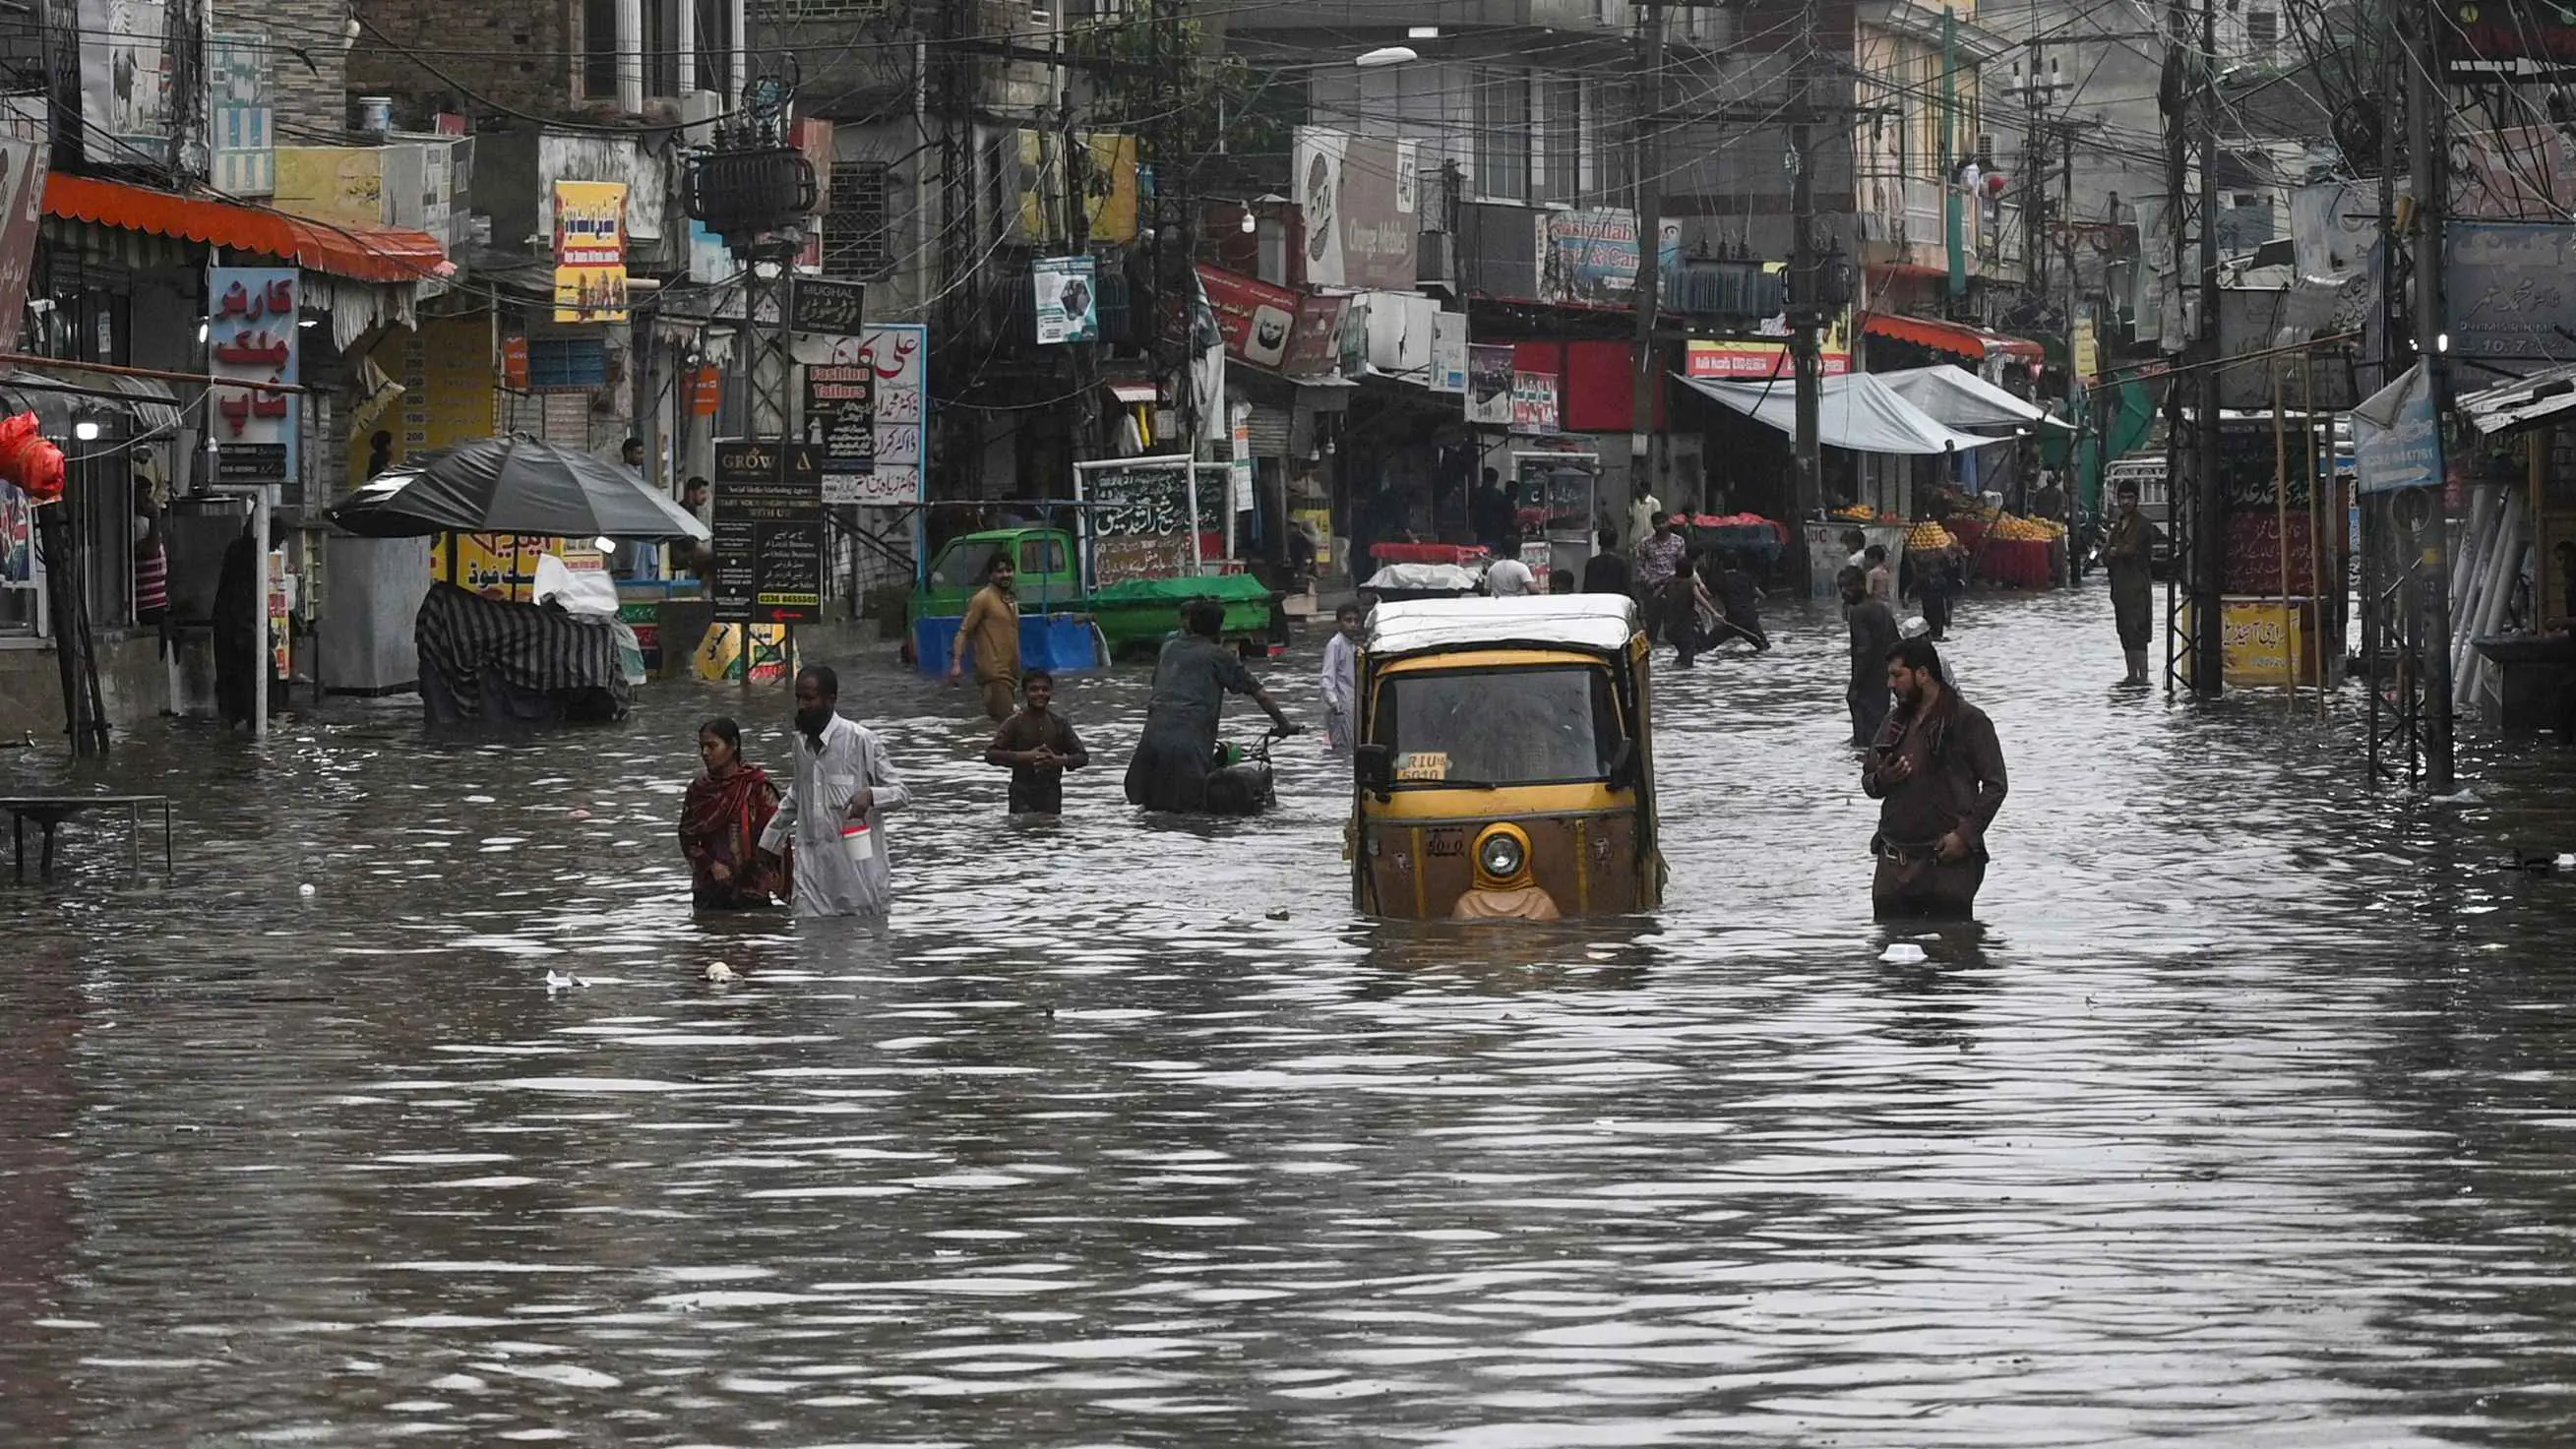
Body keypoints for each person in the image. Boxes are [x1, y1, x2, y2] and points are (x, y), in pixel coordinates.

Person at [1862, 637, 2008, 920]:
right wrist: (1883, 779)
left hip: (1947, 867)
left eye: (1897, 675)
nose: (1890, 685)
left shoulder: (1969, 721)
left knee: (1951, 953)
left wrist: (1965, 836)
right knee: (1890, 954)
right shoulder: (1893, 723)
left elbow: (1995, 786)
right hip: (1893, 866)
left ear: (1923, 674)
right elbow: (1868, 781)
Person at [758, 665, 913, 919]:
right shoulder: (800, 743)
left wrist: (870, 796)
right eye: (798, 698)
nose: (802, 705)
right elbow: (797, 795)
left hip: (858, 880)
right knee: (808, 950)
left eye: (809, 698)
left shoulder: (861, 740)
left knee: (858, 952)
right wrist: (769, 841)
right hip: (811, 879)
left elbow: (901, 793)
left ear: (830, 700)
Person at [1126, 598, 1297, 813]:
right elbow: (1260, 695)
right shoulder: (1219, 655)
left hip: (1151, 740)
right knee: (1192, 811)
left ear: (1189, 623)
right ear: (1219, 627)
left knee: (1152, 810)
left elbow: (1157, 687)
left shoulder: (1168, 649)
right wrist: (1284, 725)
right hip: (1189, 745)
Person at [678, 717, 786, 909]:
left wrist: (757, 872)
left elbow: (776, 835)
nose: (705, 753)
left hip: (750, 890)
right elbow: (687, 839)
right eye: (702, 747)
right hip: (709, 890)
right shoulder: (699, 791)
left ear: (733, 745)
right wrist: (711, 864)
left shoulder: (756, 787)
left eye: (712, 746)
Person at [984, 670, 1088, 815]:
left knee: (1050, 834)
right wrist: (1026, 757)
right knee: (1023, 832)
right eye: (1034, 689)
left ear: (1051, 692)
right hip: (1021, 794)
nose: (1040, 693)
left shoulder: (1059, 724)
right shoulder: (1014, 723)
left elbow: (1083, 757)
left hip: (1051, 794)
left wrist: (1058, 760)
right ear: (1024, 693)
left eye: (1045, 689)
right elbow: (991, 754)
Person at [950, 552, 1021, 721]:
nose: (1005, 575)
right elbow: (964, 632)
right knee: (1009, 726)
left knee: (1008, 729)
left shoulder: (1011, 600)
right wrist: (956, 663)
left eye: (1009, 571)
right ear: (991, 575)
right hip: (994, 676)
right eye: (1000, 571)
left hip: (1011, 676)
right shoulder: (983, 599)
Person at [2105, 481, 2156, 686]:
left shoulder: (2143, 524)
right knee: (2125, 634)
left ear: (2137, 500)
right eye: (2122, 498)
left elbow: (2129, 549)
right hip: (2120, 590)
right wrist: (2113, 551)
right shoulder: (2118, 525)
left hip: (2137, 589)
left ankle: (2142, 679)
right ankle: (2131, 677)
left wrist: (2116, 551)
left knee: (2138, 635)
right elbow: (2105, 554)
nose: (2126, 502)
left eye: (2130, 498)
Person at [1842, 565, 1898, 747]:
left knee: (1863, 740)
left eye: (1849, 586)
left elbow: (1863, 651)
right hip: (1884, 681)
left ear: (1860, 585)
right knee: (1877, 732)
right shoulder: (1882, 609)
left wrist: (1854, 686)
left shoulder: (1858, 612)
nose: (1844, 592)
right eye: (1841, 587)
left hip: (1866, 684)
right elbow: (1897, 643)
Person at [1633, 512, 1687, 641]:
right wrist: (1648, 581)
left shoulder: (1678, 541)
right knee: (1652, 626)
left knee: (1674, 626)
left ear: (1668, 523)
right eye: (1657, 524)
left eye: (1663, 522)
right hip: (1652, 589)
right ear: (1653, 525)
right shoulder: (1645, 543)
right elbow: (1639, 566)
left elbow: (1682, 565)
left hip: (1673, 588)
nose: (1661, 526)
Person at [1664, 543, 1718, 667]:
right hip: (1690, 619)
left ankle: (1676, 672)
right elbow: (1700, 598)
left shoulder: (1670, 580)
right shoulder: (1691, 579)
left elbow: (1658, 595)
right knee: (1694, 648)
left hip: (1671, 624)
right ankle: (1686, 676)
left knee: (1685, 651)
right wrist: (1714, 612)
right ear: (1700, 557)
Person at [1320, 600, 1364, 753]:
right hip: (1340, 706)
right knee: (1342, 749)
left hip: (1351, 704)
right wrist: (1335, 705)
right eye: (1348, 620)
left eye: (1356, 621)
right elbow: (1327, 678)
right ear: (1339, 622)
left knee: (1352, 747)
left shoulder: (1353, 646)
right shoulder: (1335, 644)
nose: (1353, 624)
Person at [1708, 548, 1770, 652]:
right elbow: (1762, 596)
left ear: (1721, 564)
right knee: (1765, 648)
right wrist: (1752, 604)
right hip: (1750, 621)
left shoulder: (1719, 580)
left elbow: (1709, 598)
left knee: (1704, 647)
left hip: (1731, 622)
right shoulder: (1746, 578)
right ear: (1738, 563)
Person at [132, 501, 168, 627]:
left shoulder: (144, 524)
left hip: (156, 600)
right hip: (147, 603)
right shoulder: (136, 524)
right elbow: (151, 550)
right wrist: (154, 517)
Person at [1915, 540, 1957, 642]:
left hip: (1939, 613)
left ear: (1939, 569)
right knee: (1926, 637)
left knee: (1938, 637)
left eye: (1935, 568)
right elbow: (1912, 588)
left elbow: (1949, 599)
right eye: (1931, 568)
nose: (1933, 570)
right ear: (1928, 569)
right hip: (1927, 612)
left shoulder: (1942, 581)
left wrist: (1949, 616)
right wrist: (1906, 597)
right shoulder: (1923, 579)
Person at [1470, 468, 1514, 551]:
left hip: (1481, 531)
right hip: (1495, 532)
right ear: (1495, 480)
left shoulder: (1476, 493)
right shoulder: (1498, 495)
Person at [1580, 527, 1632, 596]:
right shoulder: (1622, 563)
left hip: (1595, 602)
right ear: (1616, 542)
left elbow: (1586, 590)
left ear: (1599, 542)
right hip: (1615, 603)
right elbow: (1627, 590)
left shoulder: (1591, 563)